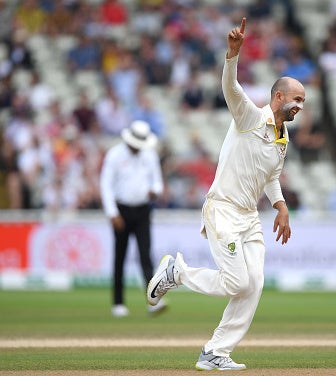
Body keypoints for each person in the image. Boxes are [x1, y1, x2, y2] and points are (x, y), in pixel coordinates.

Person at [147, 18, 305, 371]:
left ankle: (215, 352)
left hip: (250, 217)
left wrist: (280, 206)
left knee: (254, 284)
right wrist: (232, 55)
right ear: (277, 97)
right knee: (237, 282)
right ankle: (177, 273)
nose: (300, 106)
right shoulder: (250, 117)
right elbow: (231, 89)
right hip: (223, 211)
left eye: (303, 101)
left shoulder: (282, 137)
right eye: (296, 99)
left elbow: (272, 176)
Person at [99, 120, 165, 318]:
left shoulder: (149, 155)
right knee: (120, 257)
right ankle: (118, 303)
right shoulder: (115, 155)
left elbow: (157, 181)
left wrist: (156, 191)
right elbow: (106, 185)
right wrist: (112, 213)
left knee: (145, 256)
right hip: (122, 211)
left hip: (143, 209)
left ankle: (153, 301)